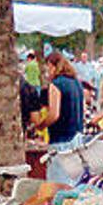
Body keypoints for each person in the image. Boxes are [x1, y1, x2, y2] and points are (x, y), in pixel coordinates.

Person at [31, 52, 86, 184]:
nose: (47, 73)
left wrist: (40, 125)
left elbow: (54, 114)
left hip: (60, 139)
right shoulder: (77, 83)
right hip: (77, 138)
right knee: (74, 182)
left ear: (53, 66)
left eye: (48, 68)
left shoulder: (56, 85)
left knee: (57, 184)